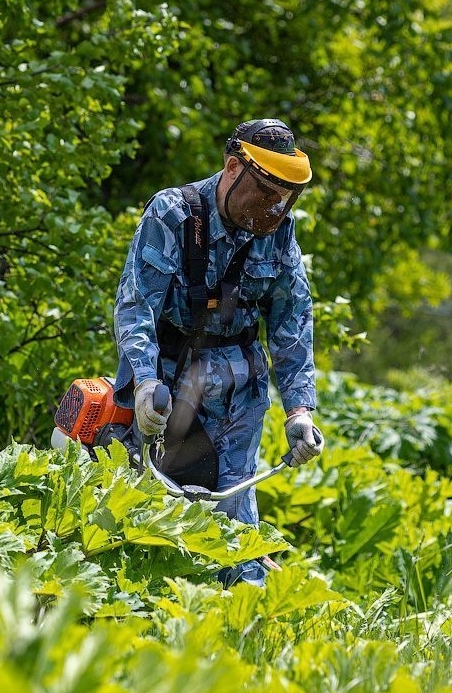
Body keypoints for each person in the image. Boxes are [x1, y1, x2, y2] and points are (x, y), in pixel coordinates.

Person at [112, 118, 324, 587]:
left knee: (232, 515)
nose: (275, 209)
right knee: (147, 503)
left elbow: (292, 320)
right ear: (233, 168)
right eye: (267, 194)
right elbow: (136, 306)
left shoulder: (278, 231)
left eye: (286, 198)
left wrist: (299, 410)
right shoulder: (174, 214)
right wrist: (144, 382)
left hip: (238, 393)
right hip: (165, 386)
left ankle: (240, 615)